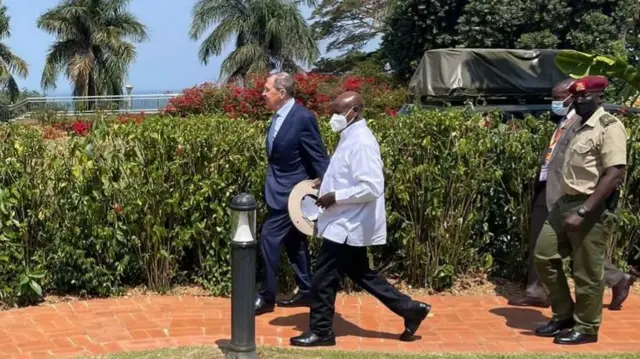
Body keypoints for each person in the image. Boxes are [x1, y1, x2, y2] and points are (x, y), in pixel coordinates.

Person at [289, 92, 430, 347]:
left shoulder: (362, 142)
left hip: (347, 223)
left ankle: (321, 331)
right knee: (362, 273)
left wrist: (335, 196)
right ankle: (410, 309)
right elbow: (347, 174)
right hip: (344, 221)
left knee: (322, 278)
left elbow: (372, 186)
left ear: (354, 111)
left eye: (338, 112)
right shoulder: (349, 138)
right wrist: (326, 182)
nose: (333, 117)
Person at [509, 79, 635, 310]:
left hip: (565, 193)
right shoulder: (565, 121)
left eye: (559, 99)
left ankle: (613, 281)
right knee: (543, 246)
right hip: (546, 188)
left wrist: (582, 204)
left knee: (579, 250)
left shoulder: (586, 122)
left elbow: (611, 168)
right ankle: (539, 292)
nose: (555, 103)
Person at [533, 75, 628, 345]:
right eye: (576, 97)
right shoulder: (576, 125)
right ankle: (564, 314)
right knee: (544, 255)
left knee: (587, 270)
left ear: (600, 97)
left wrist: (585, 210)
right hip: (565, 202)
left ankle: (586, 327)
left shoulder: (609, 127)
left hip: (591, 206)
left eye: (585, 96)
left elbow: (615, 173)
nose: (579, 101)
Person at [255, 72, 330, 315]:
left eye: (267, 89)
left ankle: (267, 297)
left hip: (292, 194)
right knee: (294, 242)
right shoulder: (277, 117)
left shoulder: (302, 118)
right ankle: (307, 290)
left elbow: (317, 155)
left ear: (282, 93)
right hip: (277, 190)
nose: (263, 94)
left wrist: (327, 188)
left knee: (268, 238)